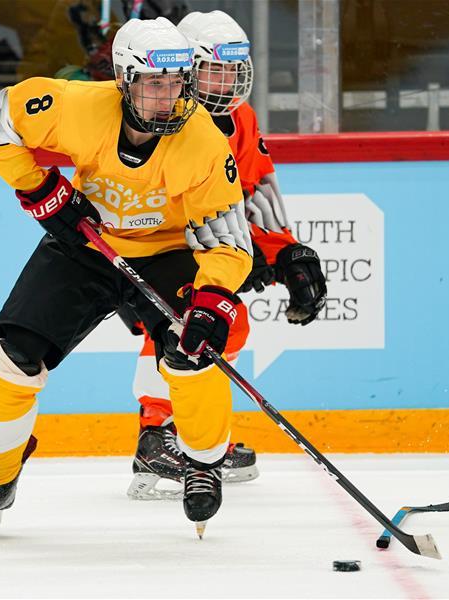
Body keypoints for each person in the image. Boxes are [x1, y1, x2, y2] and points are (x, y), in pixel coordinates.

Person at [0, 16, 252, 541]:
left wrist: (214, 298)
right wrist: (38, 188)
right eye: (154, 84)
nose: (167, 97)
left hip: (168, 252)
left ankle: (203, 463)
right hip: (85, 245)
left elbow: (229, 242)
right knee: (11, 355)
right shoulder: (76, 106)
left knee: (192, 348)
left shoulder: (203, 142)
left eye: (177, 83)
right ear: (124, 79)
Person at [119, 10, 327, 500]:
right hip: (149, 246)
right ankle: (157, 434)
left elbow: (255, 193)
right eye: (213, 70)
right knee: (184, 318)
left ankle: (190, 435)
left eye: (234, 70)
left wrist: (287, 254)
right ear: (185, 71)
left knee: (226, 323)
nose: (227, 81)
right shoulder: (161, 118)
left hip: (204, 246)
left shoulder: (241, 119)